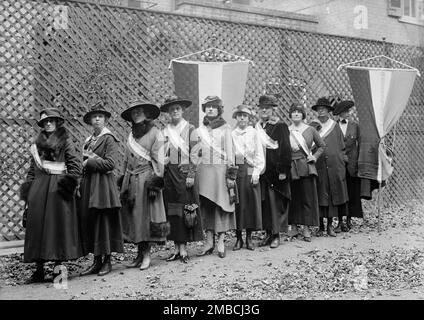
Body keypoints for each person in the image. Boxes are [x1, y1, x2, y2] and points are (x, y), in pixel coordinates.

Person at [20, 108, 82, 283]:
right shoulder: (36, 145)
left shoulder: (66, 141)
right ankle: (38, 271)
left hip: (58, 190)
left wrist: (68, 186)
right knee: (37, 229)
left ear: (57, 122)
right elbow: (32, 170)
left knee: (58, 229)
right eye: (45, 122)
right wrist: (28, 192)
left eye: (51, 121)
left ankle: (58, 272)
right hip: (39, 191)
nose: (48, 124)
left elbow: (75, 166)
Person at [120, 100, 169, 270]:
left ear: (146, 114)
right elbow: (126, 160)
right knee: (135, 218)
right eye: (133, 113)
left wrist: (155, 183)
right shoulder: (131, 135)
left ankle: (147, 255)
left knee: (146, 217)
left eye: (139, 111)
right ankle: (139, 254)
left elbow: (160, 161)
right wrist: (124, 180)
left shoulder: (156, 133)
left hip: (146, 179)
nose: (136, 115)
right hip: (132, 180)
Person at [78, 101, 124, 276]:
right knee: (93, 221)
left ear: (105, 120)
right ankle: (96, 261)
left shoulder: (109, 139)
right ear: (90, 121)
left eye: (100, 117)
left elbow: (111, 164)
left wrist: (90, 161)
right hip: (90, 184)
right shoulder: (88, 141)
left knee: (104, 221)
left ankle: (107, 261)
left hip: (104, 185)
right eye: (94, 117)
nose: (97, 119)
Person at [192, 95, 237, 258]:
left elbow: (231, 152)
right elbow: (195, 153)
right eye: (208, 106)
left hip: (220, 170)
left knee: (221, 206)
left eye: (214, 106)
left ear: (219, 109)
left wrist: (231, 173)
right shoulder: (199, 130)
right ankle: (209, 241)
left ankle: (221, 241)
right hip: (203, 171)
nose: (210, 109)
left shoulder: (226, 128)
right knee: (206, 206)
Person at [160, 96, 203, 263]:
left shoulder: (191, 129)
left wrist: (191, 174)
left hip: (184, 174)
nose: (175, 111)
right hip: (169, 175)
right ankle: (176, 248)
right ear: (168, 113)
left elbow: (196, 153)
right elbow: (161, 151)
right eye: (171, 109)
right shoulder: (165, 131)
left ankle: (184, 248)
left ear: (182, 110)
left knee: (185, 210)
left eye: (177, 108)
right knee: (173, 211)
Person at [255, 95, 291, 248]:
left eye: (267, 108)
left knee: (276, 204)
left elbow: (286, 149)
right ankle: (268, 233)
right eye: (262, 108)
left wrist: (283, 170)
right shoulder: (256, 127)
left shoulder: (280, 126)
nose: (264, 110)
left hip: (276, 172)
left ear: (273, 110)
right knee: (265, 205)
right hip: (262, 171)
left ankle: (276, 235)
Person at [311, 97, 349, 237]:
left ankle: (330, 227)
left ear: (328, 111)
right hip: (318, 165)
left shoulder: (335, 126)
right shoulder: (312, 126)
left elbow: (341, 147)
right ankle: (320, 226)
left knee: (332, 195)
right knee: (320, 194)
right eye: (319, 109)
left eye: (324, 109)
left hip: (334, 166)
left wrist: (340, 163)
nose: (321, 111)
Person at [287, 103, 325, 242]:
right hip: (291, 167)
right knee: (293, 197)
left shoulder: (310, 129)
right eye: (293, 112)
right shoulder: (286, 130)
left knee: (307, 197)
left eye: (299, 112)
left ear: (303, 114)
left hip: (306, 167)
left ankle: (307, 227)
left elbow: (322, 146)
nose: (296, 114)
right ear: (290, 115)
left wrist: (314, 157)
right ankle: (294, 226)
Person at [231, 105, 265, 251]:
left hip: (250, 167)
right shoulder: (232, 134)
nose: (242, 118)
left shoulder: (254, 133)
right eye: (239, 115)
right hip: (238, 169)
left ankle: (249, 237)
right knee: (239, 204)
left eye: (245, 115)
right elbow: (230, 155)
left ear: (249, 118)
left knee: (250, 202)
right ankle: (238, 238)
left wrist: (256, 172)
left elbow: (259, 154)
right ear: (236, 118)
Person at [333, 100, 363, 232]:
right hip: (338, 164)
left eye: (348, 111)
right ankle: (339, 221)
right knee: (340, 192)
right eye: (345, 111)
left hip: (352, 165)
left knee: (351, 191)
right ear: (339, 113)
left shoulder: (355, 126)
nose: (348, 114)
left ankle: (349, 219)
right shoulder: (333, 126)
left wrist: (358, 162)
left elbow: (360, 144)